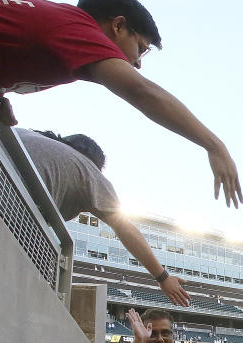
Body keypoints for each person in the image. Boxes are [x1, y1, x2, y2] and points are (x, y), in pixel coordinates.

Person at [0, 0, 242, 207]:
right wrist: (214, 145)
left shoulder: (60, 32)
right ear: (118, 25)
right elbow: (142, 91)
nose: (137, 62)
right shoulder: (79, 28)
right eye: (141, 48)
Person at [17, 128, 190, 306]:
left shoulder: (24, 133)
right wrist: (163, 277)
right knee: (47, 266)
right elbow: (125, 228)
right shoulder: (88, 170)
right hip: (12, 212)